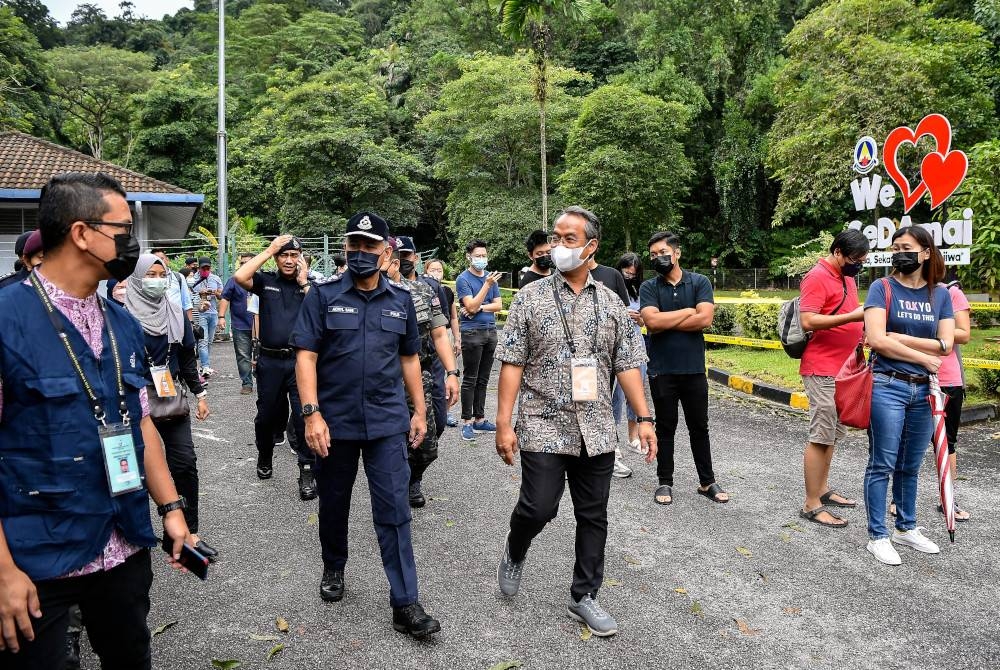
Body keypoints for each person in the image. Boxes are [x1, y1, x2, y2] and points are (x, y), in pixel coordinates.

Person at [0, 172, 192, 668]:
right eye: (123, 230)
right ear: (82, 234)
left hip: (122, 545)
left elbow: (141, 423)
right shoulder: (6, 319)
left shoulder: (121, 321)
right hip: (38, 559)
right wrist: (3, 571)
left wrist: (171, 508)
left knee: (131, 657)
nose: (133, 244)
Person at [494, 206, 657, 638]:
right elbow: (511, 362)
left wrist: (643, 417)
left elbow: (627, 365)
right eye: (556, 237)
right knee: (538, 506)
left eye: (569, 239)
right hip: (542, 421)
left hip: (597, 426)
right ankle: (515, 548)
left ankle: (584, 595)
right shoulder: (530, 297)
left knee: (593, 515)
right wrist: (503, 423)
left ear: (591, 247)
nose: (558, 246)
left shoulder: (612, 303)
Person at [291, 211, 441, 638]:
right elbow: (306, 356)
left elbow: (409, 358)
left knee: (394, 511)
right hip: (334, 423)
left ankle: (405, 602)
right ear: (345, 247)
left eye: (369, 246)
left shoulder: (401, 300)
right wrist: (311, 413)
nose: (360, 252)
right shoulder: (321, 296)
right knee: (334, 503)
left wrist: (419, 411)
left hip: (386, 421)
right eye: (354, 244)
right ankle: (334, 566)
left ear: (385, 252)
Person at [863, 226, 954, 565]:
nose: (899, 253)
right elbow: (876, 339)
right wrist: (923, 355)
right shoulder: (882, 287)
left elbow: (947, 343)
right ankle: (878, 535)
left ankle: (906, 527)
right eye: (895, 248)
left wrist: (900, 339)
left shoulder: (940, 294)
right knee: (882, 463)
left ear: (926, 253)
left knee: (910, 464)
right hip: (888, 385)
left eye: (906, 247)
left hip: (924, 390)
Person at [124, 254, 217, 560]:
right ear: (136, 279)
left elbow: (187, 358)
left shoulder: (175, 313)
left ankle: (190, 533)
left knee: (185, 463)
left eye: (161, 275)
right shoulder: (121, 318)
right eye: (149, 275)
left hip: (170, 398)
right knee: (136, 470)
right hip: (134, 403)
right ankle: (135, 534)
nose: (157, 280)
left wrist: (200, 394)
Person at [639, 231, 728, 506]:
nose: (658, 258)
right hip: (661, 369)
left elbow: (705, 319)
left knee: (699, 427)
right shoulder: (649, 287)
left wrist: (668, 320)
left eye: (663, 253)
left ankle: (707, 481)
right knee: (665, 428)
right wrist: (689, 312)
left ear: (676, 253)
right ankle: (664, 481)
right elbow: (652, 323)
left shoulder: (699, 282)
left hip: (693, 369)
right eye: (653, 255)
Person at [234, 235, 317, 501]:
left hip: (300, 362)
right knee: (266, 417)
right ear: (277, 258)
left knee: (305, 416)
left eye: (294, 255)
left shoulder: (311, 286)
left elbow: (321, 310)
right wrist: (270, 250)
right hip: (269, 362)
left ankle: (307, 470)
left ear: (301, 258)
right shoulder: (266, 281)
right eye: (284, 255)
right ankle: (265, 453)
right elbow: (240, 276)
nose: (289, 260)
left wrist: (304, 281)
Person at [796, 229, 869, 528]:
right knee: (821, 434)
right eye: (855, 259)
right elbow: (808, 320)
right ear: (838, 252)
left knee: (833, 433)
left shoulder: (846, 277)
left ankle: (822, 489)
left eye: (862, 260)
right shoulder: (816, 276)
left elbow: (850, 311)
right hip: (822, 367)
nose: (858, 265)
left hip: (844, 368)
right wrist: (854, 318)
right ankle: (811, 503)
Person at [392, 237, 460, 507]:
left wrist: (452, 372)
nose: (402, 260)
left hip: (421, 372)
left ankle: (413, 476)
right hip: (384, 376)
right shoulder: (374, 290)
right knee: (390, 438)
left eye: (406, 255)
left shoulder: (424, 290)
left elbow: (439, 333)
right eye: (397, 255)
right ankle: (397, 484)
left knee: (430, 439)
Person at [456, 239, 502, 441]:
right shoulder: (463, 279)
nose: (482, 259)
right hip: (471, 332)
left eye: (484, 255)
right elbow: (470, 306)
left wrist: (481, 306)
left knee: (484, 378)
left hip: (490, 331)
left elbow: (498, 305)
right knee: (470, 378)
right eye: (478, 256)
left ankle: (480, 419)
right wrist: (486, 286)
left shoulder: (491, 277)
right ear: (469, 257)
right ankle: (467, 421)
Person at [936, 276, 972, 521]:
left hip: (947, 379)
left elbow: (964, 334)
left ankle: (948, 497)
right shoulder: (904, 290)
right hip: (912, 374)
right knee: (906, 440)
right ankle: (899, 498)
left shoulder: (951, 293)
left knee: (948, 441)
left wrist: (928, 328)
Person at [611, 253, 648, 459]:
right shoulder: (610, 287)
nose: (629, 276)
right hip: (615, 344)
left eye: (633, 274)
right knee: (615, 393)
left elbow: (645, 321)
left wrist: (639, 319)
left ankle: (633, 436)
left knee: (636, 391)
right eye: (626, 272)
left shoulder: (641, 291)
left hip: (635, 343)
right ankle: (613, 439)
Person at [425, 258, 462, 428]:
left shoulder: (446, 291)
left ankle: (445, 412)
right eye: (432, 270)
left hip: (444, 335)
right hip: (428, 337)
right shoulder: (422, 289)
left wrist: (457, 338)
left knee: (445, 377)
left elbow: (453, 317)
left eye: (439, 270)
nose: (436, 273)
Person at [220, 252, 256, 394]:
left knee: (263, 355)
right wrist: (221, 317)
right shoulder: (234, 280)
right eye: (242, 263)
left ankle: (264, 380)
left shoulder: (262, 280)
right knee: (243, 356)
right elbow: (225, 298)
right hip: (240, 325)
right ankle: (247, 383)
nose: (244, 265)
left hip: (261, 326)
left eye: (248, 262)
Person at [191, 256, 223, 377]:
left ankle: (205, 366)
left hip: (213, 313)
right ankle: (205, 366)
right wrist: (200, 292)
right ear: (198, 268)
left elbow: (222, 296)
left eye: (207, 268)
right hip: (200, 313)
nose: (205, 270)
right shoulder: (193, 279)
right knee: (202, 341)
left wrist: (215, 292)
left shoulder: (215, 279)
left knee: (209, 341)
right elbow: (189, 293)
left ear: (211, 268)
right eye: (203, 268)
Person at [150, 248, 195, 328]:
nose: (159, 261)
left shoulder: (178, 277)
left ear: (167, 260)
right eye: (155, 259)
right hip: (156, 323)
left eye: (162, 259)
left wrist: (190, 324)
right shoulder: (148, 279)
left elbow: (186, 303)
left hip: (177, 322)